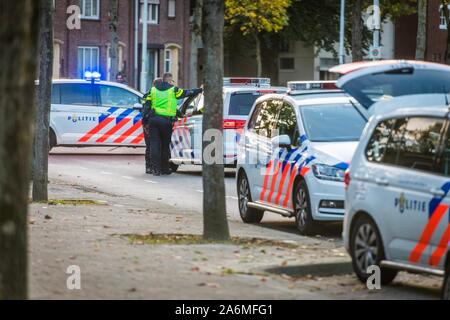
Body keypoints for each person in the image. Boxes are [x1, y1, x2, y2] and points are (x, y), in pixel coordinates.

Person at [143, 73, 202, 176]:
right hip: (166, 122)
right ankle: (165, 168)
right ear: (169, 80)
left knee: (154, 145)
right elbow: (187, 93)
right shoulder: (173, 90)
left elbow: (146, 106)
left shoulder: (152, 90)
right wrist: (199, 90)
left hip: (154, 121)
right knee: (165, 146)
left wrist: (145, 122)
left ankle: (155, 169)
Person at [142, 77, 163, 174]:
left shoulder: (155, 94)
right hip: (151, 122)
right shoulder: (149, 95)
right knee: (152, 145)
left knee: (152, 145)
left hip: (152, 122)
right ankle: (150, 166)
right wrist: (145, 123)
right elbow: (145, 109)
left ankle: (152, 167)